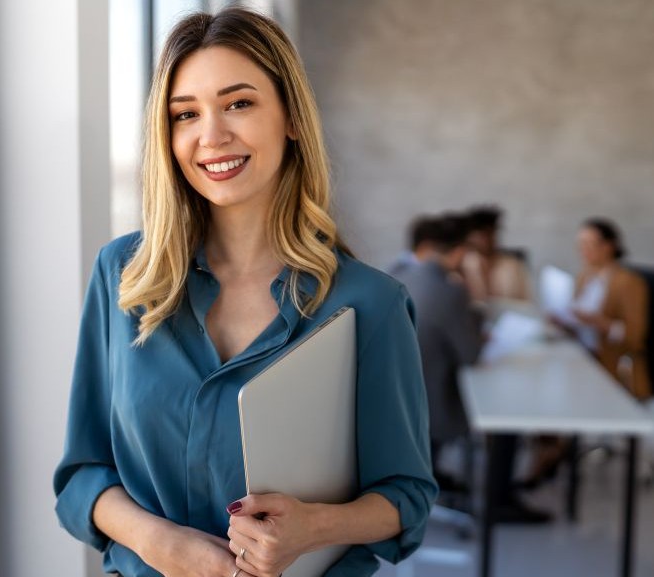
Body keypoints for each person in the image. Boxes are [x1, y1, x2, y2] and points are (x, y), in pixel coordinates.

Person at [52, 9, 436, 577]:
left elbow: (406, 496)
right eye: (186, 114)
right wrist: (161, 546)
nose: (212, 136)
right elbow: (83, 477)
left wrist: (314, 527)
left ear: (292, 119)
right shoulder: (123, 276)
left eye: (239, 103)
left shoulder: (369, 304)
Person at [391, 214, 551, 524]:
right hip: (434, 405)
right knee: (509, 412)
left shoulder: (404, 274)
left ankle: (434, 474)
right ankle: (499, 500)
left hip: (402, 397)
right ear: (459, 251)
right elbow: (472, 355)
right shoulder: (450, 290)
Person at [560, 217, 650, 399]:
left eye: (588, 244)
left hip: (612, 368)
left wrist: (600, 323)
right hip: (581, 362)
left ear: (608, 246)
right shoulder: (584, 277)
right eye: (580, 244)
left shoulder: (628, 283)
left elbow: (635, 337)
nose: (582, 250)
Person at [460, 205, 532, 303]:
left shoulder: (513, 266)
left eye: (490, 234)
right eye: (481, 235)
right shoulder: (462, 266)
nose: (486, 240)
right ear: (470, 237)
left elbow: (525, 302)